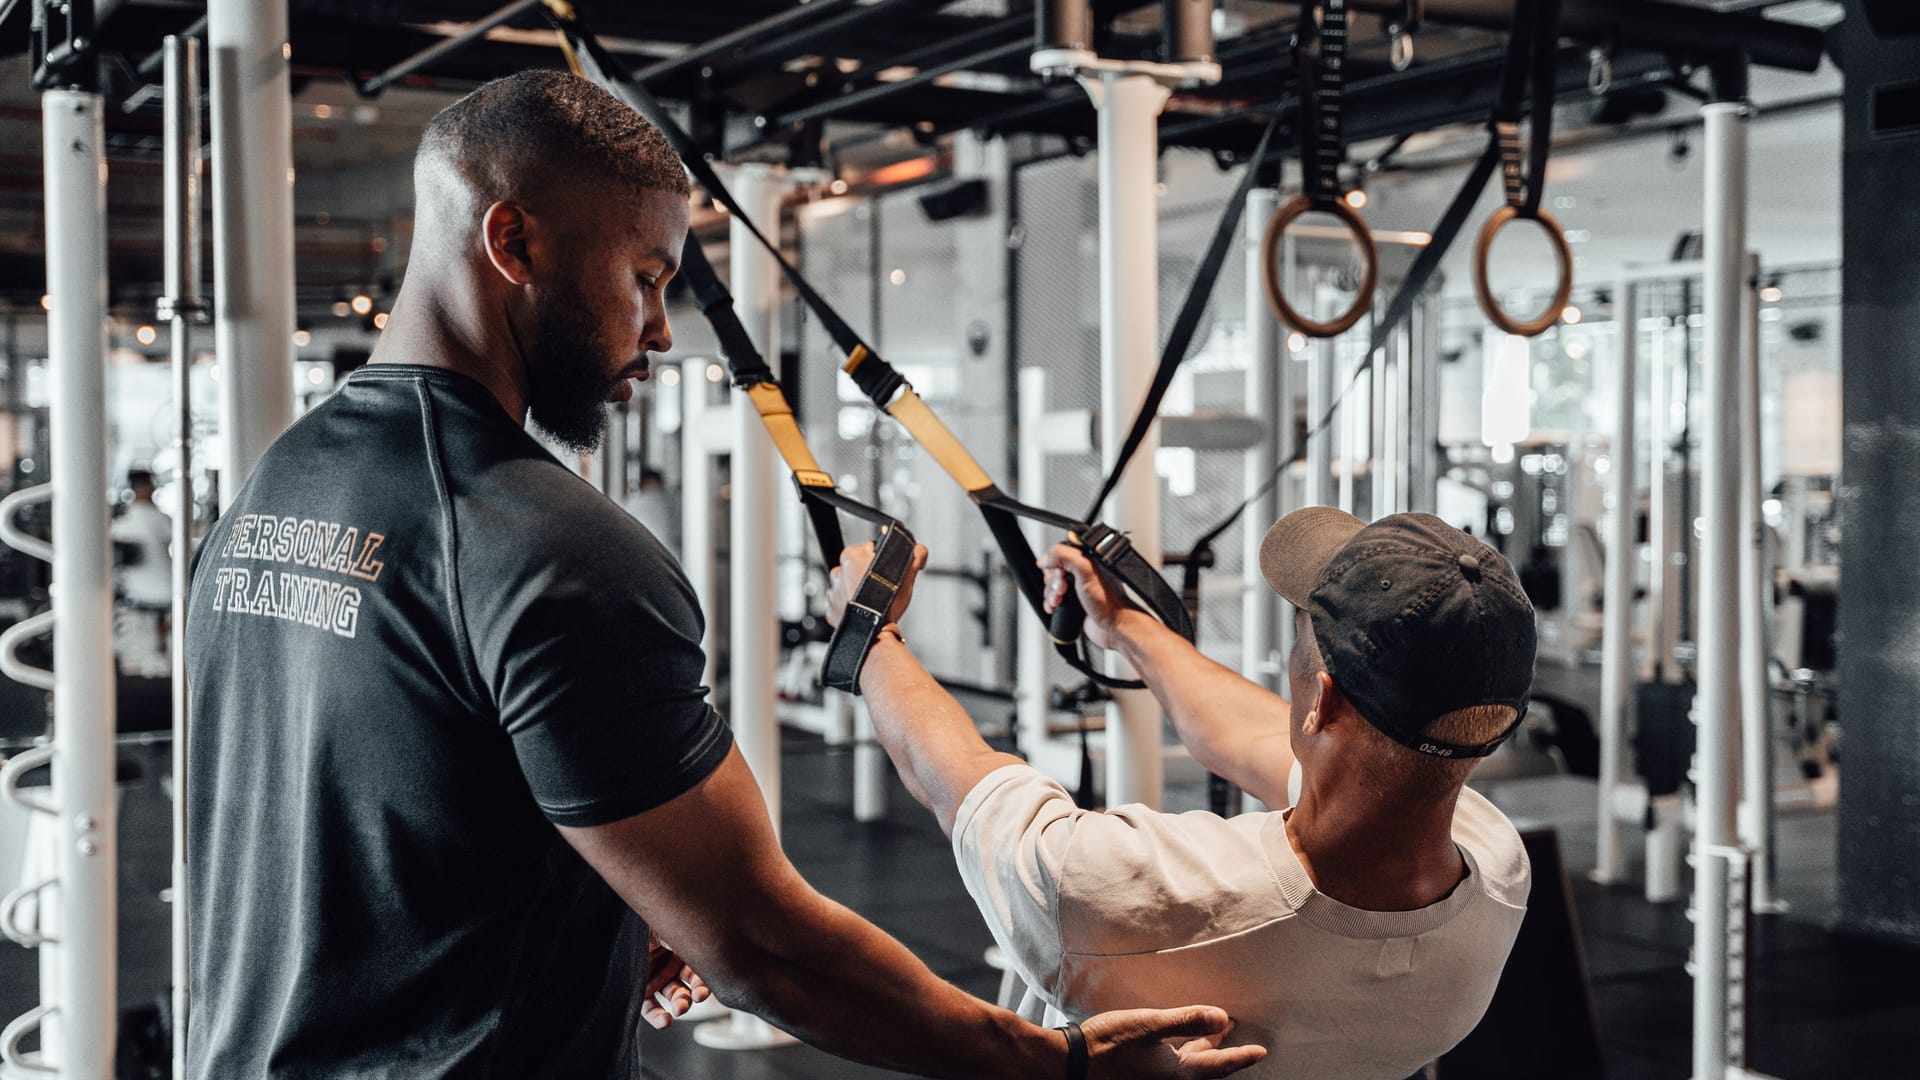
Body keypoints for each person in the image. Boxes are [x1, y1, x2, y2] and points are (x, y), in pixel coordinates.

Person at [185, 70, 1264, 1080]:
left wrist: (611, 896)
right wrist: (1054, 1062)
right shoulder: (552, 548)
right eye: (644, 279)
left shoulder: (277, 486)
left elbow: (388, 797)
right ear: (511, 241)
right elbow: (761, 944)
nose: (658, 329)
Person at [826, 507, 1537, 1080]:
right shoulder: (1498, 864)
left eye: (1302, 640)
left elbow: (952, 780)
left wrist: (869, 629)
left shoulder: (1115, 887)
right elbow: (1251, 732)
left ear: (1320, 702)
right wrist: (1125, 627)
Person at [112, 467, 172, 676]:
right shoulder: (161, 520)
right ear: (145, 487)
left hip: (136, 595)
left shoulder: (120, 525)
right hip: (165, 593)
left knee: (141, 656)